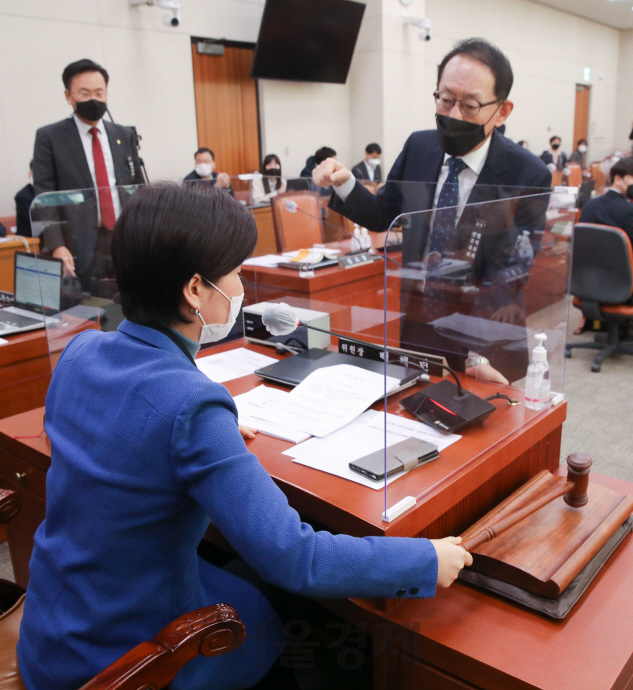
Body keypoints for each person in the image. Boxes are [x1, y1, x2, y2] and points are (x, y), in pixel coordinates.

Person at [17, 182, 472, 690]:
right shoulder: (191, 407)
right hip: (123, 660)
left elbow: (116, 434)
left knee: (236, 578)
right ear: (194, 290)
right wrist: (424, 560)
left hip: (52, 630)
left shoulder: (81, 352)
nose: (238, 287)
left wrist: (205, 435)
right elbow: (298, 559)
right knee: (284, 616)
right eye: (233, 273)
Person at [314, 38, 551, 384]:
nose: (454, 115)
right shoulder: (419, 146)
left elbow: (514, 268)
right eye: (445, 99)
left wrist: (477, 347)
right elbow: (384, 214)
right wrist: (344, 182)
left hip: (485, 333)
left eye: (470, 106)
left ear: (502, 111)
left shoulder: (527, 173)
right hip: (420, 322)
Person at [32, 58, 144, 283]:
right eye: (84, 93)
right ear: (69, 96)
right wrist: (57, 246)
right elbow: (44, 197)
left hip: (124, 237)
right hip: (78, 240)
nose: (94, 99)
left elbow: (137, 186)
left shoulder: (124, 135)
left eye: (99, 93)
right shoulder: (50, 137)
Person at [579, 157, 633, 304]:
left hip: (587, 282)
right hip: (625, 285)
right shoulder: (631, 211)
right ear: (618, 179)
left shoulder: (589, 206)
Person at [14, 162, 35, 237]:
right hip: (31, 241)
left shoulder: (52, 193)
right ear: (30, 174)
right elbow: (34, 222)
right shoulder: (22, 196)